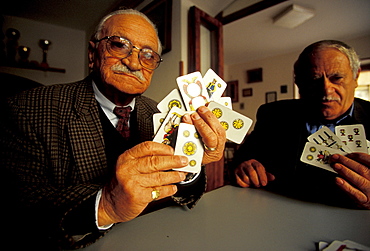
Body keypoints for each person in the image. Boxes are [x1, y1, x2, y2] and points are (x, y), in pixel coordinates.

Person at [0, 9, 226, 250]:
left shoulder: (161, 113)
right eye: (119, 45)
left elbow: (177, 195)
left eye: (148, 55)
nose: (133, 62)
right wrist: (106, 205)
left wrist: (192, 165)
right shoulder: (27, 108)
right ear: (92, 54)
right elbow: (19, 209)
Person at [232, 40, 370, 209]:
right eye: (314, 80)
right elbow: (241, 160)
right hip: (276, 215)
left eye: (337, 78)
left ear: (356, 77)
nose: (326, 90)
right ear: (299, 84)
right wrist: (243, 168)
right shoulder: (273, 114)